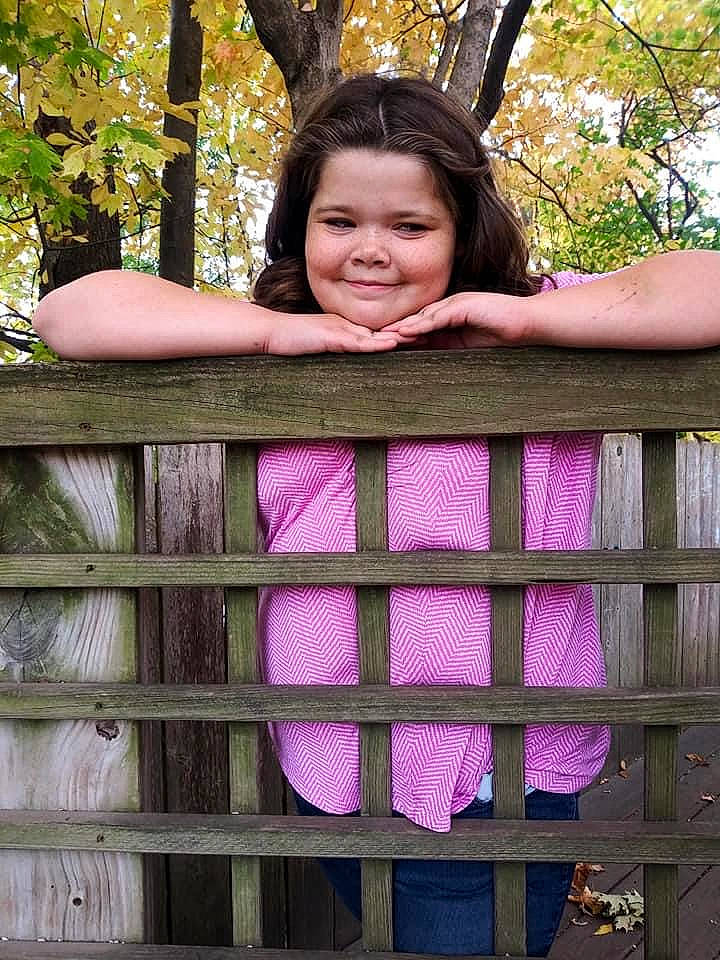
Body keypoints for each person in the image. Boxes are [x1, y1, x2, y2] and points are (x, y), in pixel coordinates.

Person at [34, 74, 720, 956]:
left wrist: (522, 322)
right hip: (329, 765)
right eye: (340, 221)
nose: (370, 251)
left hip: (488, 776)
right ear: (300, 224)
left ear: (462, 232)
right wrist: (271, 334)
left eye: (410, 226)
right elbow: (68, 313)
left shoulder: (539, 322)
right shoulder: (276, 337)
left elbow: (706, 284)